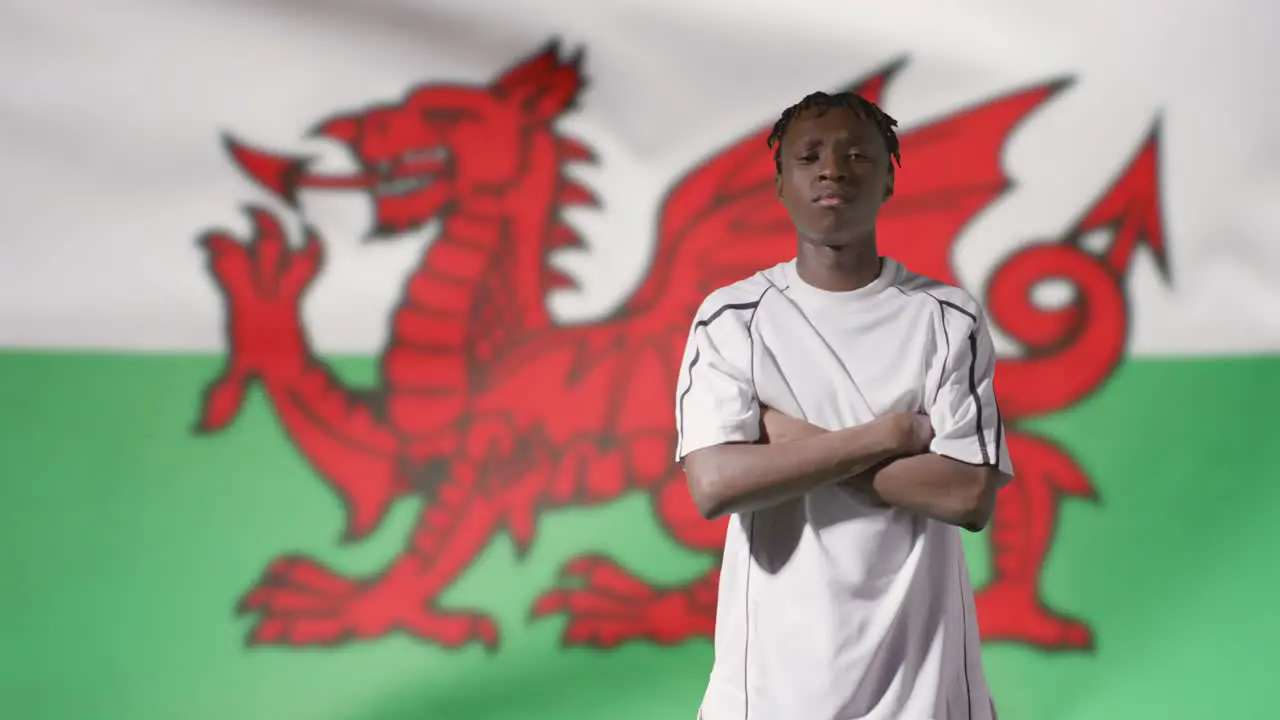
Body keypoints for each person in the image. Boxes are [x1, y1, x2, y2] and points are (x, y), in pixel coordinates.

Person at [674, 90, 1014, 720]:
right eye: (809, 156)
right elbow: (715, 483)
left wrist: (785, 438)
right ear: (780, 183)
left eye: (859, 154)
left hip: (926, 687)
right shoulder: (734, 318)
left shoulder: (947, 318)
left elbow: (966, 496)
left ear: (889, 180)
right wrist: (889, 435)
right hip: (772, 690)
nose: (833, 169)